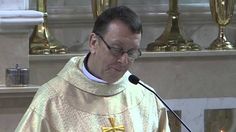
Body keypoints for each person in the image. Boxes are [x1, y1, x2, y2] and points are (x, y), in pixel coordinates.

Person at [16, 6, 170, 132]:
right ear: (93, 42)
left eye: (132, 53)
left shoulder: (147, 98)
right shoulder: (52, 99)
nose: (124, 60)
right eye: (116, 49)